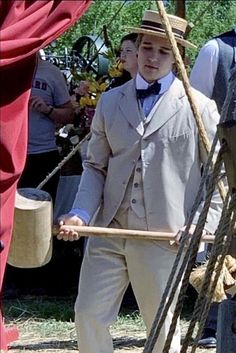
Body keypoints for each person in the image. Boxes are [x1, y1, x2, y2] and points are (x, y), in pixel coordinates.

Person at [57, 10, 222, 353]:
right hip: (108, 231)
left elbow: (217, 178)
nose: (153, 57)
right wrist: (81, 214)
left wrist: (198, 226)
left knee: (161, 330)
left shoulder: (200, 108)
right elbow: (95, 167)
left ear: (179, 57)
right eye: (147, 47)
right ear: (134, 50)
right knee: (87, 315)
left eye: (164, 51)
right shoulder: (109, 101)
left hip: (164, 237)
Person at [190, 27, 236, 349]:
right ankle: (211, 324)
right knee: (223, 254)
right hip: (225, 170)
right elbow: (194, 111)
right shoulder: (216, 50)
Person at [18, 52, 74, 203]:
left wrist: (47, 109)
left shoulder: (51, 72)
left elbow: (70, 114)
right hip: (9, 154)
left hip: (42, 154)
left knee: (40, 213)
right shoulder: (6, 67)